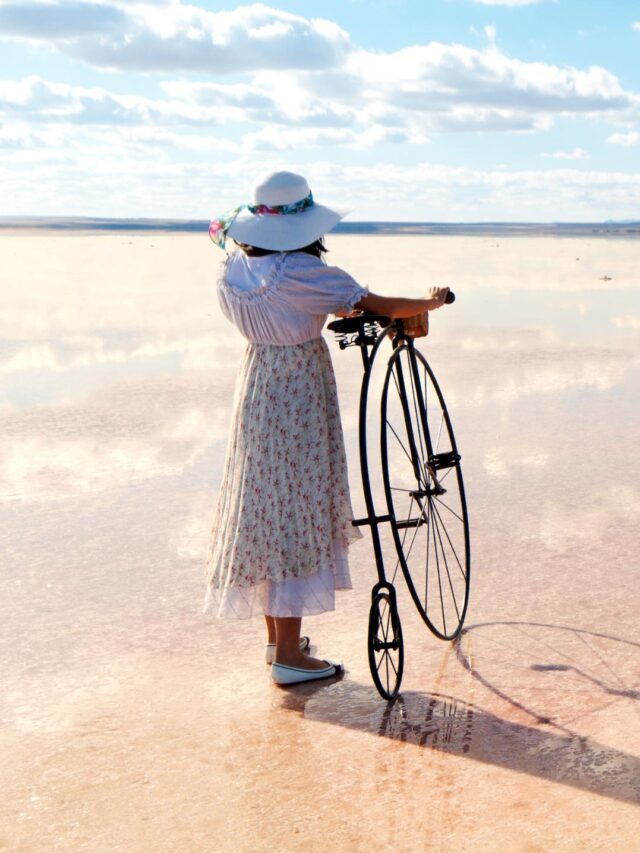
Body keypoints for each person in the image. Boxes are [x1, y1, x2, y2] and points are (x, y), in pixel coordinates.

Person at [204, 170, 449, 685]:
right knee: (295, 510)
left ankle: (279, 642)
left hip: (257, 384)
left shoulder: (235, 269)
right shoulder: (302, 272)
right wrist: (433, 302)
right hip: (298, 389)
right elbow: (379, 305)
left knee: (268, 506)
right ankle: (291, 659)